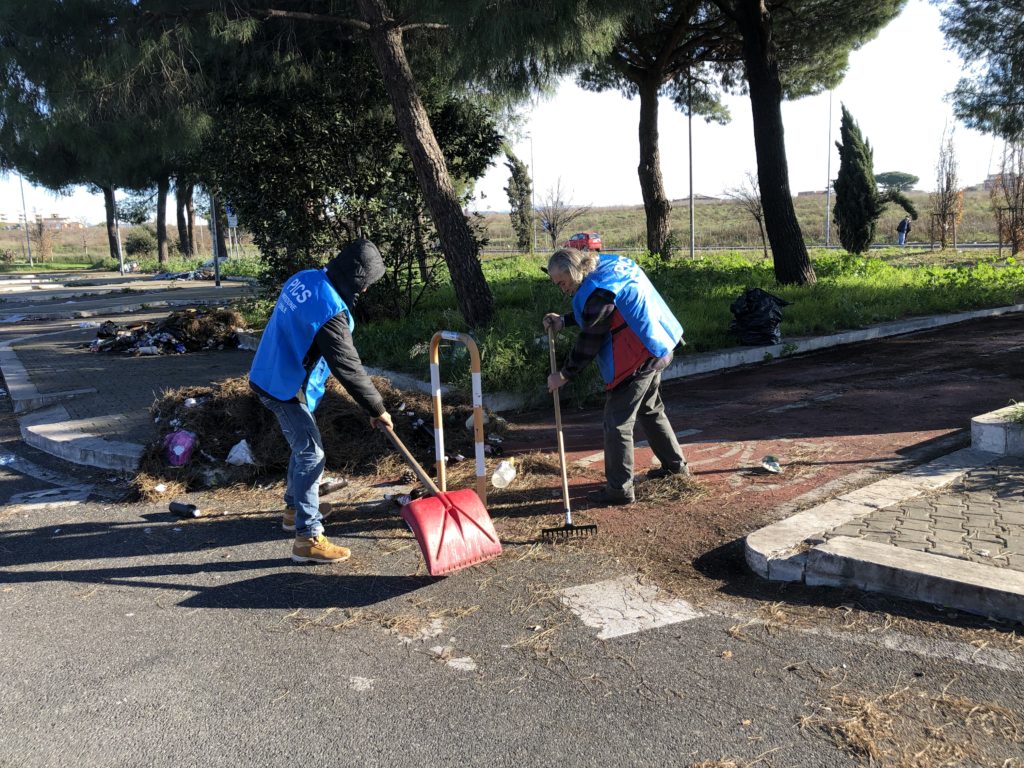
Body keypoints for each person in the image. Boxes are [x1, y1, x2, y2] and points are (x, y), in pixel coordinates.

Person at [249, 239, 393, 563]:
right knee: (311, 454)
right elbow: (347, 366)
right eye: (367, 284)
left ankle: (293, 508)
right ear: (358, 280)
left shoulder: (307, 278)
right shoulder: (329, 310)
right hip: (283, 385)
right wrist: (377, 409)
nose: (367, 291)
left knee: (302, 446)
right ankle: (308, 536)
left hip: (272, 369)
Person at [543, 248, 689, 506]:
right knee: (651, 409)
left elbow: (591, 338)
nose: (562, 289)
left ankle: (619, 490)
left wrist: (564, 375)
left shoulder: (597, 293)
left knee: (616, 422)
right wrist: (565, 320)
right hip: (658, 342)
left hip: (637, 357)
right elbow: (603, 313)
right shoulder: (604, 267)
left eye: (562, 282)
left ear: (574, 271)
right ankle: (675, 467)